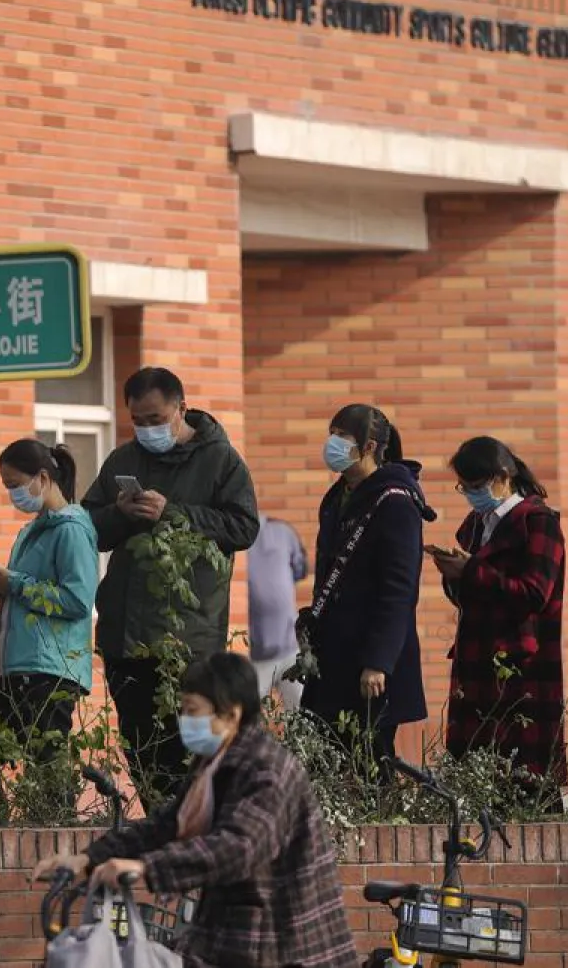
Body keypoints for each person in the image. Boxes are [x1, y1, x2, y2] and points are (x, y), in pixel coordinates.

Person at [31, 653, 357, 968]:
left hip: (286, 946)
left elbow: (239, 847)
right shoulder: (215, 763)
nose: (185, 721)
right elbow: (167, 825)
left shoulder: (266, 769)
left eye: (193, 711)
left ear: (231, 714)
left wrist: (146, 868)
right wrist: (89, 859)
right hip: (234, 939)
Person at [82, 367, 259, 807]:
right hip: (126, 629)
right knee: (139, 743)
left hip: (188, 634)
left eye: (155, 419)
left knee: (186, 742)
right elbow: (89, 528)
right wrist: (120, 512)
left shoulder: (221, 460)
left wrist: (175, 513)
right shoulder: (123, 460)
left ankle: (193, 826)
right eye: (137, 421)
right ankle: (160, 823)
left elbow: (244, 527)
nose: (147, 430)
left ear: (182, 408)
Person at [0, 439, 99, 814]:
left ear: (42, 477)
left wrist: (15, 584)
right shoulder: (32, 530)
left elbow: (76, 600)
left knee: (46, 764)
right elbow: (25, 593)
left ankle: (57, 835)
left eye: (14, 485)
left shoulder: (70, 529)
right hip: (14, 667)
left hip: (50, 670)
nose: (13, 495)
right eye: (7, 487)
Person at [431, 437, 566, 791]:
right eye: (464, 487)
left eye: (476, 486)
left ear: (502, 477)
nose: (472, 495)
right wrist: (453, 575)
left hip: (521, 672)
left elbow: (535, 594)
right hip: (475, 665)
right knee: (472, 789)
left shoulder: (537, 522)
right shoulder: (476, 525)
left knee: (522, 785)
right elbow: (470, 598)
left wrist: (471, 570)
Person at [301, 404, 433, 766]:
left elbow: (399, 590)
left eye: (343, 436)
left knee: (369, 761)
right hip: (333, 651)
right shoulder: (338, 496)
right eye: (333, 433)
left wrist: (379, 660)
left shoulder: (395, 502)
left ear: (370, 445)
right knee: (325, 759)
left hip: (370, 660)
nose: (333, 443)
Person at [246, 513, 309, 711]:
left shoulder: (283, 531)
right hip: (253, 658)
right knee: (247, 723)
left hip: (289, 650)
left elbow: (301, 569)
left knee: (302, 717)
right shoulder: (236, 536)